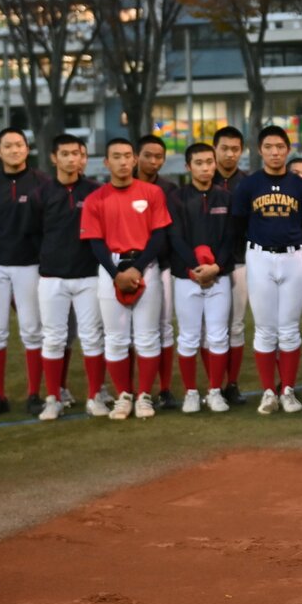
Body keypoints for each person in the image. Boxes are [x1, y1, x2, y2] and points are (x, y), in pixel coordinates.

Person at [81, 137, 172, 420]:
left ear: (134, 160)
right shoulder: (96, 198)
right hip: (111, 267)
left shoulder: (153, 192)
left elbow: (159, 235)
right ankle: (123, 394)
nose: (123, 161)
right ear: (106, 162)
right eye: (116, 156)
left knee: (147, 336)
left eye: (127, 156)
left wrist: (137, 268)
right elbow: (94, 242)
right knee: (116, 339)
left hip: (146, 266)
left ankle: (144, 394)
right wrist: (116, 274)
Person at [233, 125, 302, 415]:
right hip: (259, 257)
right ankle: (269, 391)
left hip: (293, 256)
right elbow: (239, 223)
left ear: (288, 149)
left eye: (280, 147)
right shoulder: (249, 184)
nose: (275, 152)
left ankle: (289, 390)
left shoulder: (300, 186)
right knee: (266, 329)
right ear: (259, 150)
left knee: (290, 328)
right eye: (268, 147)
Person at [35, 134, 107, 419]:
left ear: (84, 158)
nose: (72, 159)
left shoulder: (96, 192)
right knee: (53, 339)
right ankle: (53, 397)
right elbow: (33, 235)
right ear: (54, 158)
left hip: (89, 277)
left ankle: (94, 396)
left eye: (77, 153)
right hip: (52, 277)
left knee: (92, 338)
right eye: (65, 154)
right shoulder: (42, 193)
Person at [0, 128, 45, 418]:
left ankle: (34, 394)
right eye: (8, 146)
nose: (14, 150)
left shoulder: (43, 182)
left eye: (19, 145)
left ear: (27, 149)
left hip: (31, 264)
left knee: (32, 331)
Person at [168, 143, 234, 416]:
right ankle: (191, 393)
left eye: (209, 162)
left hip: (219, 277)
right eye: (199, 163)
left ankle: (215, 391)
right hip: (187, 278)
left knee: (218, 337)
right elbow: (175, 237)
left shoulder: (225, 198)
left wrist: (215, 267)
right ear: (188, 167)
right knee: (189, 337)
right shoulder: (178, 198)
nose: (206, 167)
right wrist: (196, 268)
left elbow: (231, 237)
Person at [136, 134, 180, 406]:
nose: (153, 161)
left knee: (164, 327)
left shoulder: (169, 189)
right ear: (137, 156)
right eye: (148, 155)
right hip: (124, 267)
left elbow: (169, 231)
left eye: (158, 156)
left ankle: (164, 389)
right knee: (127, 332)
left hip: (162, 265)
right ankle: (132, 389)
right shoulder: (121, 184)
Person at [212, 126, 249, 403]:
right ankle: (212, 385)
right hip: (205, 268)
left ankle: (231, 384)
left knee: (235, 326)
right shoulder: (201, 181)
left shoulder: (247, 184)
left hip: (239, 263)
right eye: (224, 148)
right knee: (209, 330)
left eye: (235, 149)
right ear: (215, 149)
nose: (229, 154)